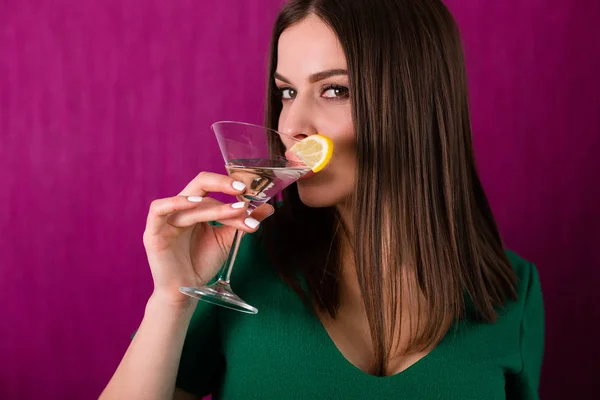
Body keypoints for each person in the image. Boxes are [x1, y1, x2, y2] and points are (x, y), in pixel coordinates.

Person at [100, 0, 544, 398]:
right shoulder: (240, 260)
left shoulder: (510, 289)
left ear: (415, 104)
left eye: (335, 90)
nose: (291, 125)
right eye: (287, 92)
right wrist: (172, 300)